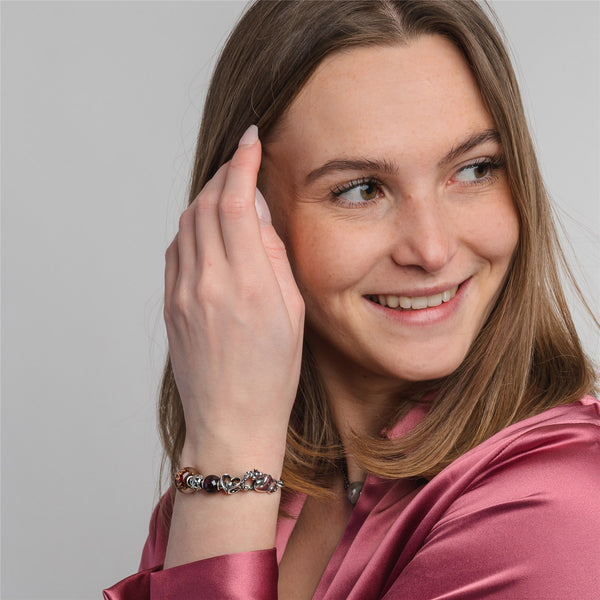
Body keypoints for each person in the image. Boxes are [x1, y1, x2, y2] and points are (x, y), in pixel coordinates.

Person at [105, 1, 600, 598]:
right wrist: (227, 457)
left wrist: (225, 463)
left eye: (474, 170)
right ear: (244, 218)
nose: (433, 249)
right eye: (363, 190)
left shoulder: (553, 511)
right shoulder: (235, 475)